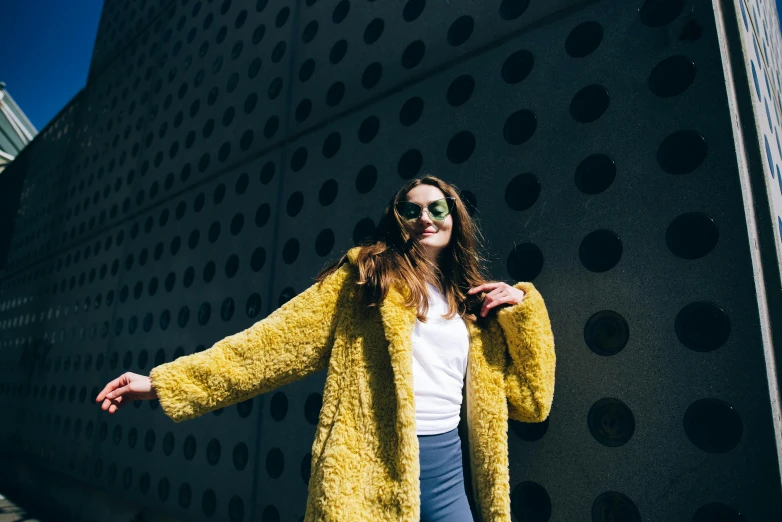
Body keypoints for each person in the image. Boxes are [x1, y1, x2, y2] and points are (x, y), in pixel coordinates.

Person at [95, 174, 556, 522]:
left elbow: (530, 402)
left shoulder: (475, 305)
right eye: (409, 210)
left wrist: (523, 311)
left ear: (455, 217)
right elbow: (267, 347)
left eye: (438, 208)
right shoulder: (366, 279)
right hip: (369, 468)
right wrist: (161, 383)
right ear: (396, 220)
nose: (424, 219)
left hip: (447, 470)